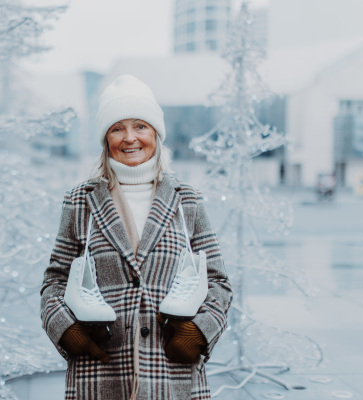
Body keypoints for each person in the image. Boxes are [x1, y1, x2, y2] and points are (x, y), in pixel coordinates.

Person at [40, 75, 232, 399]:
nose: (130, 138)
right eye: (117, 128)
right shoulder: (80, 201)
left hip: (171, 378)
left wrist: (199, 333)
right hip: (99, 376)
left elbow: (218, 282)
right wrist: (66, 330)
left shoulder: (188, 200)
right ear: (105, 138)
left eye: (140, 126)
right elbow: (55, 281)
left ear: (156, 132)